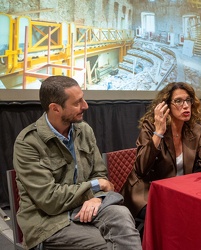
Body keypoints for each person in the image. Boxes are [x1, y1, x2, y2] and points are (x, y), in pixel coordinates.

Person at [13, 76, 141, 250]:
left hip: (87, 207)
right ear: (55, 108)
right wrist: (93, 187)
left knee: (122, 215)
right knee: (103, 244)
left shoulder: (84, 130)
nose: (85, 106)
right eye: (77, 102)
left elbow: (100, 174)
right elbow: (49, 200)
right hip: (48, 221)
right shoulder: (28, 143)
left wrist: (96, 199)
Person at [121, 82, 201, 230]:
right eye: (178, 101)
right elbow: (141, 168)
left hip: (178, 192)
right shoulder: (151, 126)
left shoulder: (194, 129)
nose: (185, 105)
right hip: (147, 192)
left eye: (188, 100)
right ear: (166, 106)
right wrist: (158, 132)